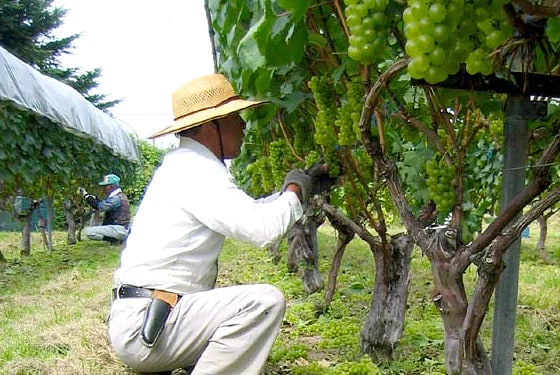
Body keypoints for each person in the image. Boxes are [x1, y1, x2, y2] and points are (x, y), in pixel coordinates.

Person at [107, 73, 327, 375]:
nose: (244, 125)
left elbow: (248, 211)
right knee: (263, 303)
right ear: (213, 126)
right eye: (236, 117)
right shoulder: (195, 170)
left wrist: (292, 193)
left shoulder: (184, 165)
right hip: (149, 327)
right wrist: (294, 191)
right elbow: (262, 229)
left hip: (151, 318)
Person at [78, 174, 130, 245]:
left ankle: (116, 239)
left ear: (111, 186)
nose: (104, 188)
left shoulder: (115, 198)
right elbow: (104, 204)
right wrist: (94, 199)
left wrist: (86, 196)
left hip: (119, 229)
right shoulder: (120, 196)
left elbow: (100, 207)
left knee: (89, 232)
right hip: (121, 227)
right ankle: (116, 239)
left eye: (106, 186)